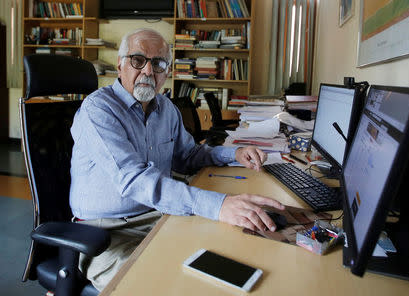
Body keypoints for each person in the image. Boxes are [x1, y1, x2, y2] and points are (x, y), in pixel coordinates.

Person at [69, 28, 284, 291]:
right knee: (155, 287)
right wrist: (219, 205)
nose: (148, 72)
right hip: (106, 233)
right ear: (120, 64)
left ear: (167, 72)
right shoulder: (98, 110)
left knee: (229, 253)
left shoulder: (166, 109)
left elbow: (188, 156)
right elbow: (134, 180)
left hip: (158, 216)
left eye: (158, 63)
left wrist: (234, 154)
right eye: (138, 60)